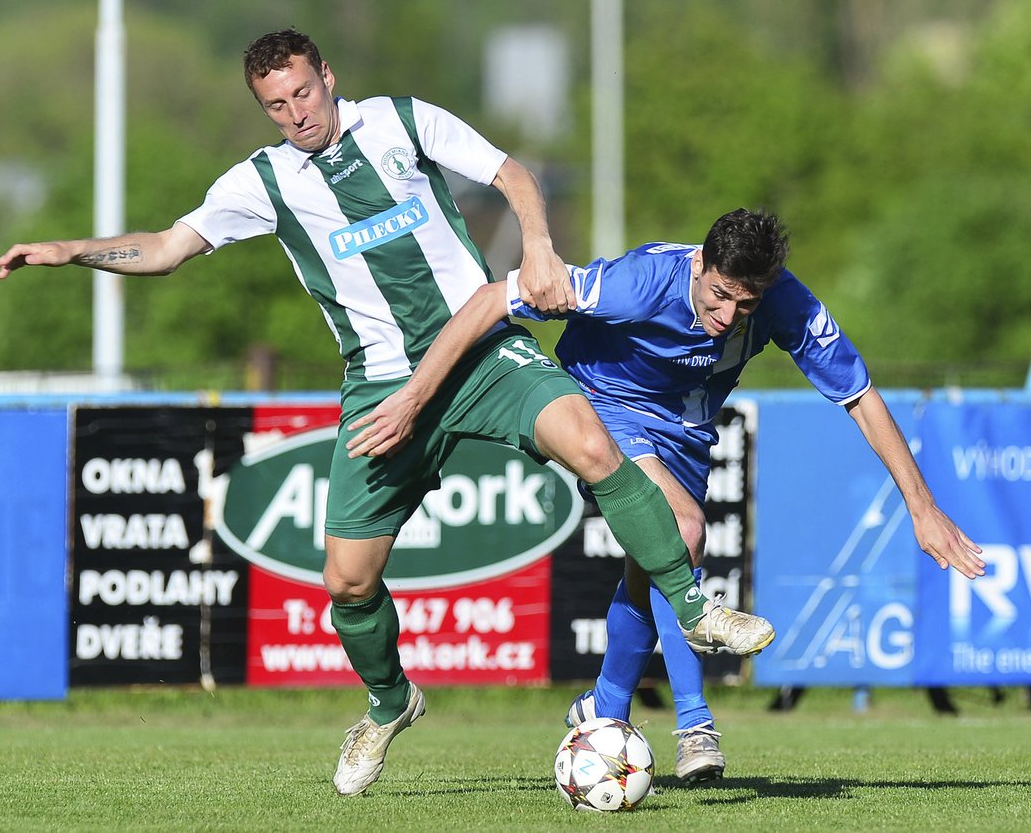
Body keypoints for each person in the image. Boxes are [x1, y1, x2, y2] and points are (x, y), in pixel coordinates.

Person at [0, 30, 777, 796]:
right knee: (347, 579)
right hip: (379, 387)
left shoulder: (404, 121)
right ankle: (388, 700)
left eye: (302, 92)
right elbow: (165, 246)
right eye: (275, 104)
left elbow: (511, 174)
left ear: (326, 76)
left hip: (480, 354)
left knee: (591, 441)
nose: (295, 113)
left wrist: (536, 243)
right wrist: (69, 251)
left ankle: (693, 605)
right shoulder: (263, 182)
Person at [343, 207, 985, 785]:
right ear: (699, 265)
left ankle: (604, 715)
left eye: (747, 303)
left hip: (687, 428)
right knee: (682, 532)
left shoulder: (785, 301)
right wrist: (415, 395)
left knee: (653, 567)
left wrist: (922, 508)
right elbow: (490, 300)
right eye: (719, 295)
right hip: (605, 405)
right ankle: (689, 720)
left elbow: (860, 397)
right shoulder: (638, 283)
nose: (728, 316)